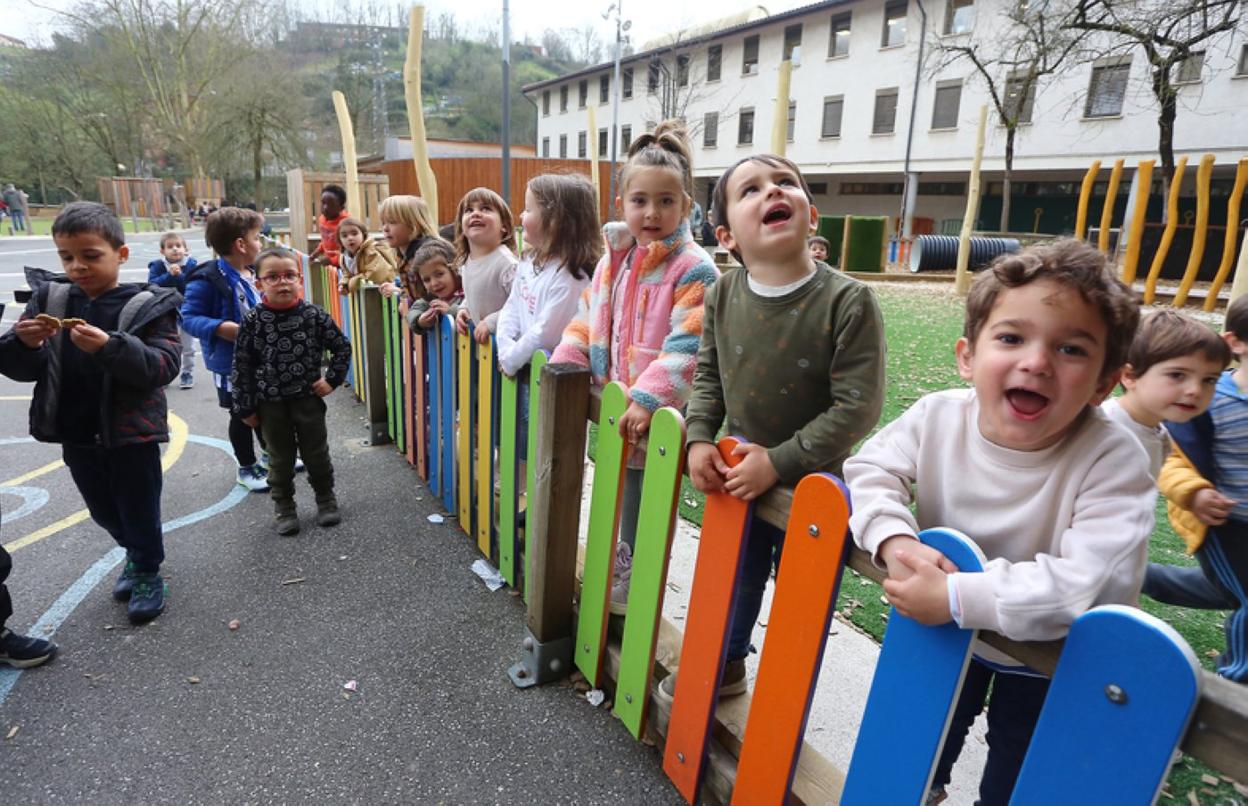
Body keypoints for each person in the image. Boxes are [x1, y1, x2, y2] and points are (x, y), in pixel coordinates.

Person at [843, 239, 1150, 804]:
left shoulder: (1114, 458)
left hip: (1052, 653)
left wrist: (958, 594)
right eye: (1011, 338)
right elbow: (871, 469)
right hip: (945, 635)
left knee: (1018, 765)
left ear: (1105, 383)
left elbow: (1083, 583)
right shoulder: (938, 415)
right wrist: (894, 538)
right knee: (919, 745)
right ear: (968, 355)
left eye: (1071, 349)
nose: (1036, 361)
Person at [658, 153, 887, 701]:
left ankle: (784, 699)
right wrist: (697, 438)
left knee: (802, 598)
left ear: (812, 214)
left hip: (817, 488)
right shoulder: (722, 294)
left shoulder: (849, 301)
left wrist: (779, 462)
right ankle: (728, 665)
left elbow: (857, 406)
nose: (772, 192)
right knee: (737, 576)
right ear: (726, 233)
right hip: (741, 476)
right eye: (751, 189)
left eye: (785, 183)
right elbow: (708, 375)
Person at [551, 121, 719, 613]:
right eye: (640, 200)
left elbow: (688, 346)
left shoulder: (693, 268)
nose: (652, 212)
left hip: (654, 416)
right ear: (621, 202)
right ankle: (618, 567)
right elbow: (589, 317)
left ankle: (638, 585)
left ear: (686, 206)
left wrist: (648, 399)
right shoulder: (614, 261)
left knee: (644, 502)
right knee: (616, 488)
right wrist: (566, 362)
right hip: (611, 407)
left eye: (666, 201)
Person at [0, 202, 183, 623]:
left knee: (138, 507)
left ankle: (147, 569)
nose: (77, 266)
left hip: (131, 433)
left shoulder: (148, 305)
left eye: (90, 255)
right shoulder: (52, 297)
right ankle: (133, 554)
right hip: (75, 427)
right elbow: (21, 370)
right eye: (67, 257)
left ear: (120, 254)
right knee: (102, 509)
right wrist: (23, 344)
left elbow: (163, 367)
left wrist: (109, 347)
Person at [1143, 294, 1248, 683]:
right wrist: (1195, 493)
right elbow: (1168, 459)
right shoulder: (1207, 399)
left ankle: (1141, 576)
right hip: (1223, 522)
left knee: (1226, 591)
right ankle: (1238, 679)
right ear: (1236, 343)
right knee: (1243, 595)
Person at [232, 249, 351, 536]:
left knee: (317, 455)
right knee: (280, 459)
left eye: (289, 275)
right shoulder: (253, 321)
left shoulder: (313, 315)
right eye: (272, 277)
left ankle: (325, 499)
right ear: (259, 284)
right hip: (270, 405)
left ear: (300, 279)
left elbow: (341, 347)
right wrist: (245, 408)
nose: (282, 282)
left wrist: (331, 380)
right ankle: (284, 507)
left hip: (307, 400)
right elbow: (242, 365)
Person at [496, 173, 603, 457]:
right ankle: (519, 491)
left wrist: (510, 357)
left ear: (555, 221)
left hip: (549, 378)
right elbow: (512, 308)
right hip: (523, 366)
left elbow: (547, 332)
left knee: (545, 449)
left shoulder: (571, 278)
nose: (521, 214)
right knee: (521, 442)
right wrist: (506, 348)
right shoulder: (530, 261)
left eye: (529, 208)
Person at [181, 206, 272, 492]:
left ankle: (271, 455)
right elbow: (189, 318)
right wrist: (222, 328)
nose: (262, 244)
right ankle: (246, 466)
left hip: (260, 359)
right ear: (241, 244)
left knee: (265, 409)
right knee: (241, 413)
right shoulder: (208, 279)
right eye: (258, 237)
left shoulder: (252, 271)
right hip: (230, 363)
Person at [1101, 310, 1228, 478]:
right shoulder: (1103, 430)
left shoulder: (1159, 433)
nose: (1196, 390)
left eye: (1209, 380)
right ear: (1130, 376)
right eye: (1177, 375)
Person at [452, 187, 518, 346]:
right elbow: (474, 292)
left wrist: (492, 322)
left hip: (506, 352)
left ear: (504, 227)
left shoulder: (507, 265)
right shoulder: (467, 261)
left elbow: (522, 306)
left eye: (486, 209)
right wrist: (464, 308)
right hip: (483, 352)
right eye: (468, 210)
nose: (475, 213)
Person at [147, 232, 201, 389]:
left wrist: (179, 276)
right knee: (167, 344)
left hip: (186, 310)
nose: (175, 249)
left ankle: (187, 372)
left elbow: (192, 287)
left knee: (188, 345)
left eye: (178, 246)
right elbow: (152, 286)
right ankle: (166, 374)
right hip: (166, 311)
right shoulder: (157, 266)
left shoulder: (191, 265)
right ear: (162, 251)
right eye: (170, 247)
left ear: (186, 249)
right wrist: (169, 275)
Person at [377, 194, 440, 303]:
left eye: (392, 222)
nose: (385, 228)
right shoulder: (402, 254)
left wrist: (398, 292)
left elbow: (429, 296)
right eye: (383, 223)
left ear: (413, 225)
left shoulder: (426, 255)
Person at [404, 238, 464, 331]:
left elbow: (472, 315)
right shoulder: (431, 298)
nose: (434, 283)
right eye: (426, 280)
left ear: (454, 269)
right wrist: (419, 320)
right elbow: (414, 310)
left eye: (439, 274)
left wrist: (450, 311)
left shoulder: (466, 294)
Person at [336, 216, 396, 294]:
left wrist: (351, 283)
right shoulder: (344, 257)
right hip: (363, 294)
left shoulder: (370, 252)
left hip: (383, 291)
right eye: (344, 236)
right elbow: (347, 274)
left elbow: (375, 274)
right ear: (340, 240)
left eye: (354, 233)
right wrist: (344, 284)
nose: (350, 238)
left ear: (363, 235)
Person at [309, 185, 349, 269]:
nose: (325, 208)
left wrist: (331, 261)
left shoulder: (346, 224)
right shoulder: (322, 219)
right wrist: (316, 252)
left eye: (331, 205)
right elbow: (325, 240)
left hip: (344, 267)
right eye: (323, 203)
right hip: (329, 265)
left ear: (341, 208)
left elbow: (350, 252)